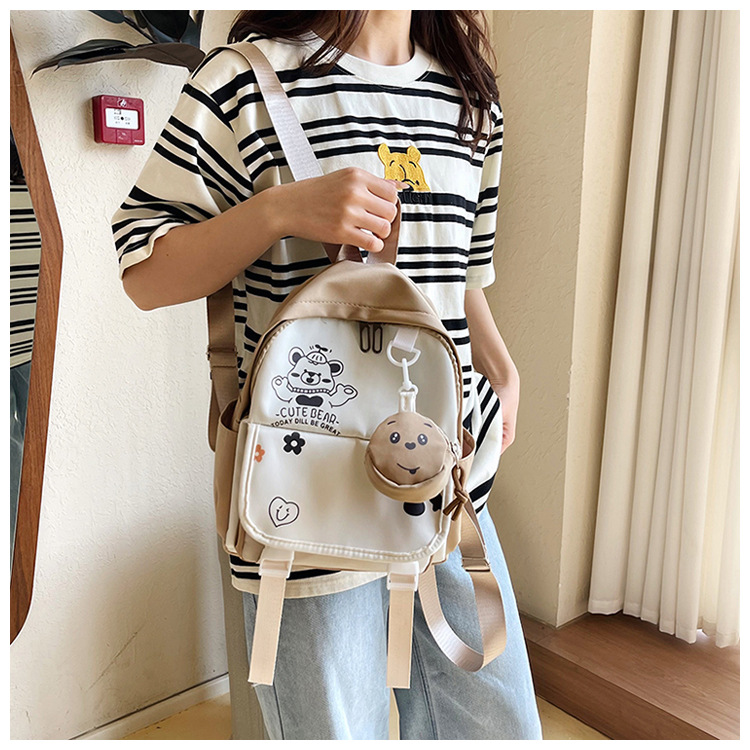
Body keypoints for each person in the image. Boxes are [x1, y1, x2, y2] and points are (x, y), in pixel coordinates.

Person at [112, 10, 543, 741]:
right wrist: (278, 211)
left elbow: (460, 273)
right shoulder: (242, 83)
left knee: (498, 727)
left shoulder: (472, 100)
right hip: (305, 491)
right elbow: (144, 273)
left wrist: (500, 365)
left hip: (446, 476)